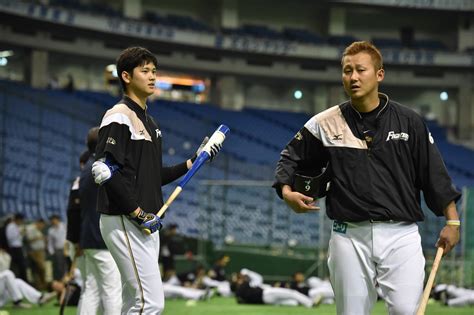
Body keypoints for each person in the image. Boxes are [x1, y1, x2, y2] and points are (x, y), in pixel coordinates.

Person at [273, 41, 461, 315]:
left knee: (407, 312)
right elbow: (289, 158)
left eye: (360, 70)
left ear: (379, 75)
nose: (353, 77)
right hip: (348, 237)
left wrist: (452, 221)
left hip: (402, 237)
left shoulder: (410, 122)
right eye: (347, 71)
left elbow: (434, 175)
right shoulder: (324, 122)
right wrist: (286, 192)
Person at [91, 46, 221, 314]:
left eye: (154, 71)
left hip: (146, 222)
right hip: (126, 219)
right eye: (144, 71)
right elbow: (103, 170)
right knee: (148, 303)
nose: (152, 76)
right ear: (126, 77)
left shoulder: (150, 122)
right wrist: (137, 213)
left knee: (133, 301)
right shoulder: (119, 115)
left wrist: (193, 161)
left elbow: (153, 176)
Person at [73, 126, 122, 315]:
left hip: (89, 238)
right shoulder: (100, 167)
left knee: (91, 290)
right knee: (112, 290)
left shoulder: (86, 169)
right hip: (101, 238)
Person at [25, 218, 47, 290]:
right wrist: (38, 238)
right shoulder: (30, 228)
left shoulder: (38, 230)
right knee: (39, 268)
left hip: (40, 251)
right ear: (39, 223)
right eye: (42, 225)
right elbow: (28, 240)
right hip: (34, 252)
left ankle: (42, 285)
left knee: (40, 269)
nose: (42, 227)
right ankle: (39, 285)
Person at [5, 213, 27, 282]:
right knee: (15, 266)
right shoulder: (10, 226)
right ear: (17, 220)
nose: (21, 222)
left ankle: (23, 281)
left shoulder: (18, 226)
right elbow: (10, 238)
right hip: (13, 248)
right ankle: (14, 281)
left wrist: (22, 234)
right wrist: (19, 233)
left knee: (22, 266)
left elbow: (19, 239)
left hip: (19, 247)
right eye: (20, 220)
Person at [47, 214, 67, 281]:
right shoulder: (51, 230)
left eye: (54, 220)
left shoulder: (64, 226)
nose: (53, 221)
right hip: (58, 250)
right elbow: (50, 243)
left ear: (58, 220)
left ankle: (67, 280)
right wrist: (52, 252)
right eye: (52, 220)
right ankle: (60, 281)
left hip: (66, 248)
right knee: (59, 267)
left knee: (67, 265)